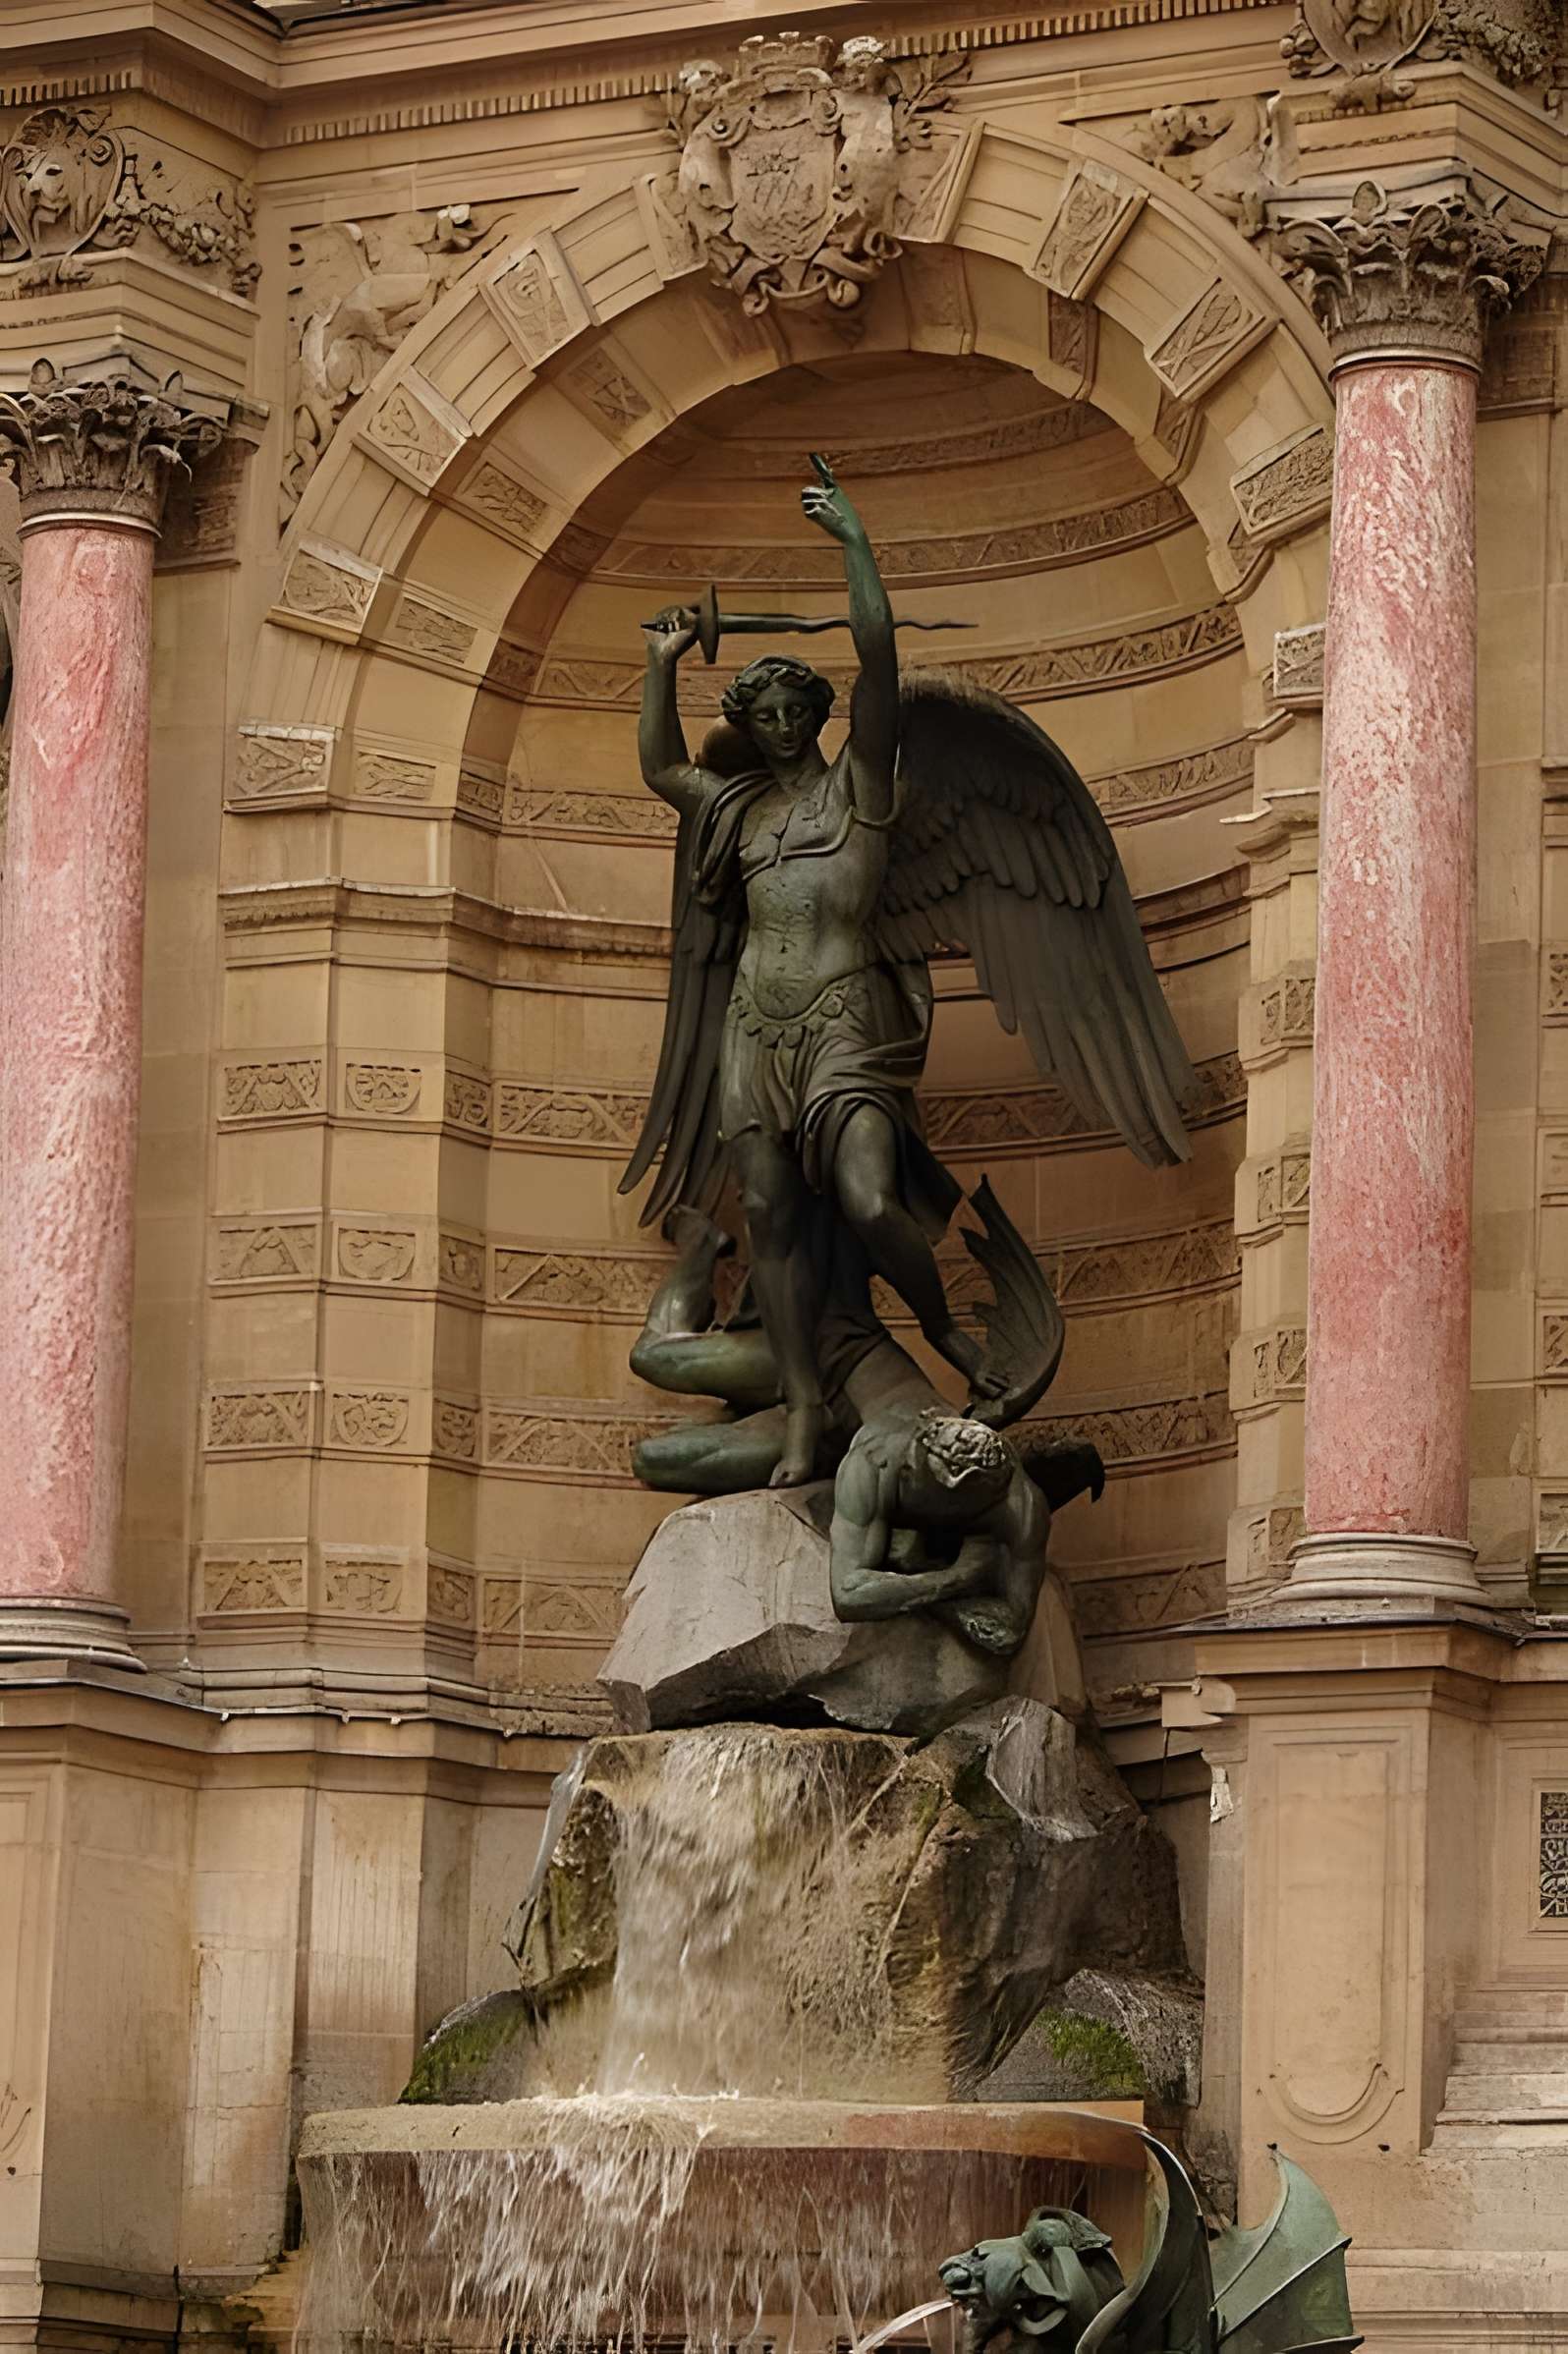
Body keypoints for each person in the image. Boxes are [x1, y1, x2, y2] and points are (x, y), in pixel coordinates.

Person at [638, 463, 1001, 1487]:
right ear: (752, 724)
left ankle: (945, 1331)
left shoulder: (861, 790)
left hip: (844, 1023)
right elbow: (663, 768)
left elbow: (879, 659)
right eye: (767, 713)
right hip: (756, 1026)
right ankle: (802, 1409)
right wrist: (662, 666)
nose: (785, 724)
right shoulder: (737, 811)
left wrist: (854, 545)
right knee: (770, 1223)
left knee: (872, 1199)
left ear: (819, 713)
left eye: (799, 707)